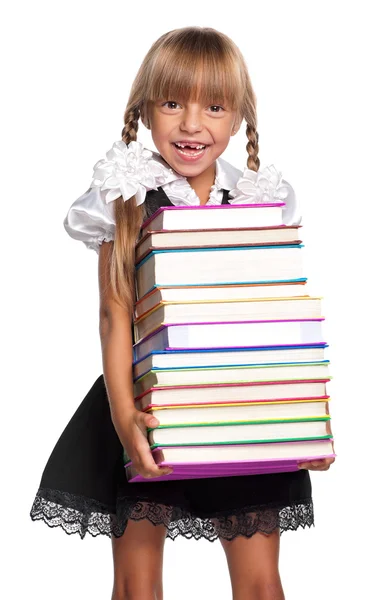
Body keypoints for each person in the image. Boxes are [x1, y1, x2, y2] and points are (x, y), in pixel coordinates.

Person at [29, 26, 335, 600]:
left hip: (242, 405)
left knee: (261, 582)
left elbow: (278, 315)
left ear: (238, 117)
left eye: (214, 107)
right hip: (144, 403)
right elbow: (114, 314)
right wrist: (123, 415)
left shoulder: (259, 197)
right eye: (173, 103)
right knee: (136, 583)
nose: (192, 124)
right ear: (145, 110)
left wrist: (306, 421)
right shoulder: (124, 195)